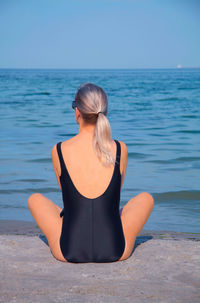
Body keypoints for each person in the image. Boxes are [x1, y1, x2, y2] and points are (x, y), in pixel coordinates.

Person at [28, 83, 154, 263]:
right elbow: (115, 196)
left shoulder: (59, 150)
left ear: (77, 112)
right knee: (145, 198)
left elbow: (67, 199)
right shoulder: (119, 148)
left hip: (69, 250)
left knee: (35, 199)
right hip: (115, 249)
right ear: (105, 112)